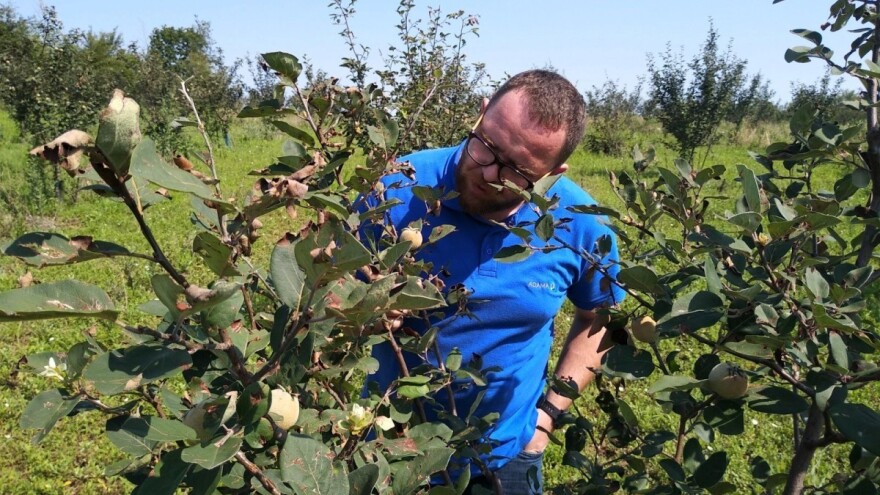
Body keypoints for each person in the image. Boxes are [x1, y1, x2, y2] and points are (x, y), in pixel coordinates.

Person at [360, 70, 625, 494]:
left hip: (504, 458)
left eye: (517, 172)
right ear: (481, 114)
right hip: (387, 450)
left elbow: (602, 319)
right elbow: (324, 298)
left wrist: (548, 418)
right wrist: (362, 310)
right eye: (486, 146)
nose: (488, 173)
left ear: (553, 174)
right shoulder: (395, 188)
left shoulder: (579, 223)